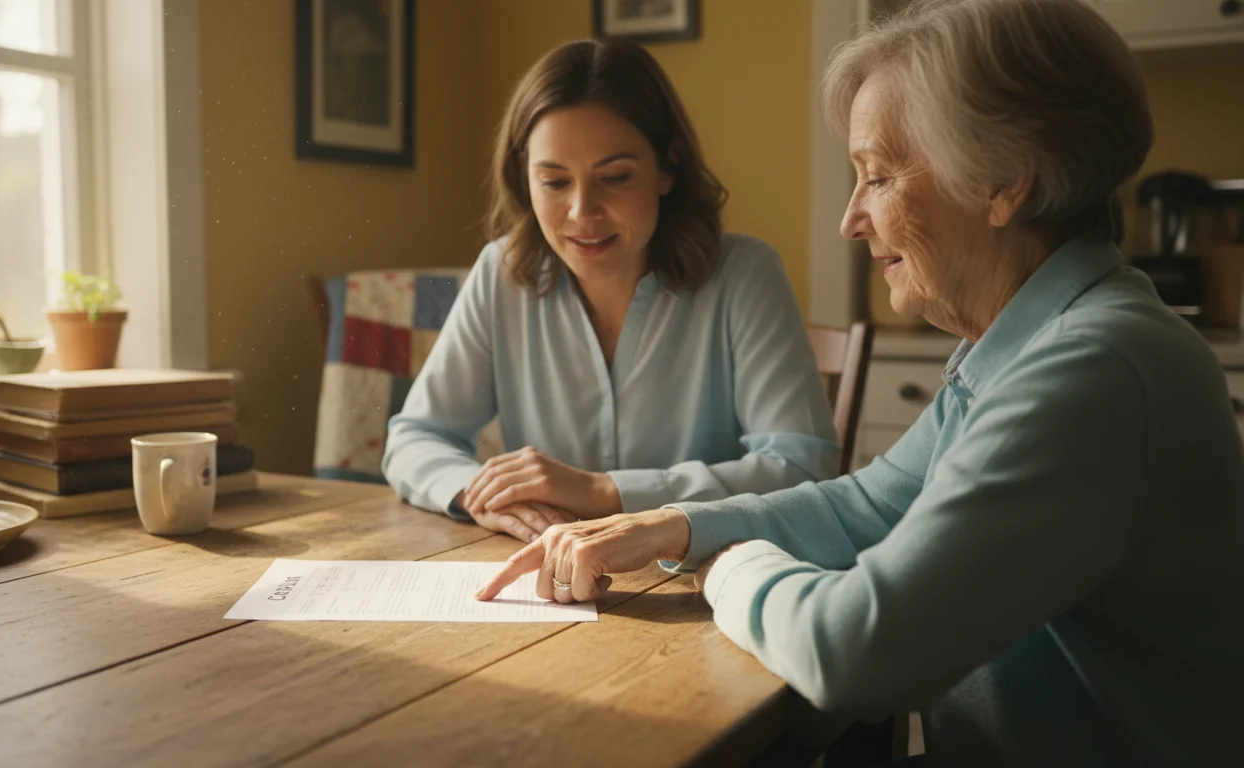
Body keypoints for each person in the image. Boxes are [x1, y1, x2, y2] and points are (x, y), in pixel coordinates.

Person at [477, 1, 1243, 764]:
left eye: (877, 175)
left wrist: (728, 564)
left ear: (1005, 180)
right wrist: (675, 525)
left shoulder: (1092, 369)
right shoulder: (1031, 342)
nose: (851, 218)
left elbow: (854, 649)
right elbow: (873, 501)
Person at [381, 38, 839, 543]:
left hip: (703, 582)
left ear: (669, 167)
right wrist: (479, 494)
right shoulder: (500, 272)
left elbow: (802, 467)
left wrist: (604, 491)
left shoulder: (745, 273)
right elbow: (415, 437)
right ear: (523, 178)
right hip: (549, 580)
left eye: (615, 177)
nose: (582, 212)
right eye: (554, 182)